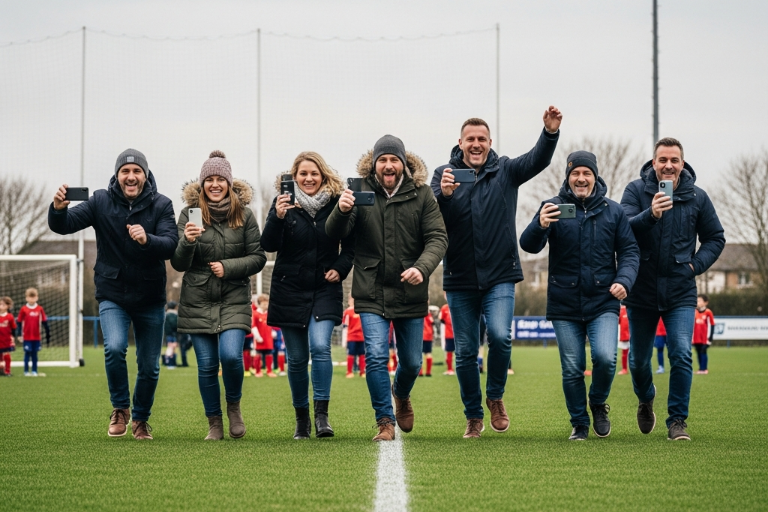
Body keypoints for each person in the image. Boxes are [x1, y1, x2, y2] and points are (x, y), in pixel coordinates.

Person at [431, 107, 562, 438]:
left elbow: (537, 160)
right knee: (465, 351)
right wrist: (443, 195)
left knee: (501, 337)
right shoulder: (444, 174)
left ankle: (495, 396)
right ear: (460, 143)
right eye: (470, 139)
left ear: (490, 142)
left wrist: (549, 133)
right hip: (460, 277)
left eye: (482, 139)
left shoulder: (505, 170)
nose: (476, 144)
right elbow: (429, 216)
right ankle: (473, 415)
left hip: (500, 274)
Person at [49, 149, 178, 439]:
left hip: (149, 296)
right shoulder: (100, 201)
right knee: (115, 347)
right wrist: (57, 209)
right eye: (125, 171)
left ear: (145, 175)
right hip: (113, 293)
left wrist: (147, 239)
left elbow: (171, 244)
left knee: (149, 366)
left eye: (137, 171)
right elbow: (64, 225)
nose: (131, 177)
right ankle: (120, 408)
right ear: (117, 175)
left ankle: (141, 418)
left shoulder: (162, 204)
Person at [326, 134, 448, 441]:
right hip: (371, 290)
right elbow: (335, 233)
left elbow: (438, 238)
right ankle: (384, 421)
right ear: (374, 164)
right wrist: (341, 210)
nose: (389, 165)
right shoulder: (358, 191)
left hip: (411, 290)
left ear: (404, 164)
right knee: (376, 356)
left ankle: (401, 393)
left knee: (412, 362)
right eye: (383, 160)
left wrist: (422, 268)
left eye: (394, 159)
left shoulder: (422, 194)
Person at [520, 150, 639, 440]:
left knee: (606, 358)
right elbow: (528, 245)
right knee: (572, 368)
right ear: (568, 177)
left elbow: (629, 252)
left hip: (603, 300)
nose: (581, 178)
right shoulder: (552, 207)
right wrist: (540, 224)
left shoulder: (614, 211)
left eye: (587, 173)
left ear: (595, 177)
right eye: (575, 173)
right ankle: (579, 423)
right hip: (564, 302)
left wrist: (624, 280)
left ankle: (597, 402)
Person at [621, 137, 725, 441]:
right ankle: (646, 397)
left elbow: (715, 238)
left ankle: (677, 420)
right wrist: (651, 214)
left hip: (680, 291)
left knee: (681, 353)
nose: (668, 165)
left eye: (674, 160)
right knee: (638, 362)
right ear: (654, 162)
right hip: (641, 291)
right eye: (663, 160)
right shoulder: (635, 191)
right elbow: (623, 229)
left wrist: (694, 266)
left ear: (682, 163)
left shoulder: (697, 197)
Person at [171, 150, 266, 441]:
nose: (215, 184)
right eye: (209, 179)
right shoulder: (188, 214)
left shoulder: (245, 215)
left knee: (231, 357)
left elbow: (258, 257)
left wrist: (228, 267)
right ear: (202, 184)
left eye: (220, 179)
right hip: (197, 300)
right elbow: (179, 263)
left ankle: (233, 407)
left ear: (229, 182)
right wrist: (187, 242)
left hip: (233, 297)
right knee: (207, 366)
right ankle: (214, 422)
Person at [261, 151, 354, 439]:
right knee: (297, 358)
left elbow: (351, 245)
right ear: (294, 176)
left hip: (324, 287)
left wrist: (340, 268)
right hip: (289, 289)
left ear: (323, 175)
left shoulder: (337, 203)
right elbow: (268, 244)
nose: (309, 178)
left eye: (314, 173)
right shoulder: (283, 204)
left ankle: (322, 416)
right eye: (303, 173)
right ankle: (301, 419)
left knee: (320, 347)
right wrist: (277, 216)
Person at [16, 288, 50, 377]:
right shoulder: (23, 309)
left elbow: (44, 321)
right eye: (30, 297)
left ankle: (34, 371)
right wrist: (19, 334)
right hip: (26, 336)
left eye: (33, 297)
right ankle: (26, 371)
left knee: (35, 354)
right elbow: (19, 322)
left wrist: (47, 332)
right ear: (26, 298)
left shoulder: (40, 309)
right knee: (27, 353)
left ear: (37, 297)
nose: (32, 299)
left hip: (36, 336)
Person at [252, 295, 276, 378]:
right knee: (258, 355)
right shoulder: (255, 313)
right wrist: (257, 337)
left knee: (269, 354)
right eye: (264, 304)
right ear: (259, 304)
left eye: (267, 304)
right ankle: (258, 371)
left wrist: (273, 332)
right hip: (260, 339)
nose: (266, 306)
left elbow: (271, 325)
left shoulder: (268, 313)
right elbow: (253, 326)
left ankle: (269, 371)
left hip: (268, 338)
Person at [343, 296, 366, 379]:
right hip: (351, 337)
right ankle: (349, 372)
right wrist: (344, 340)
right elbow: (345, 326)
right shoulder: (347, 312)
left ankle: (362, 372)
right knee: (351, 353)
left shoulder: (362, 311)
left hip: (361, 337)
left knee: (362, 354)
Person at [693, 294, 716, 374]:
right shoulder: (695, 312)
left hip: (705, 338)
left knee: (703, 351)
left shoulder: (708, 312)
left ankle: (704, 369)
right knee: (698, 352)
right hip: (696, 337)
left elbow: (712, 325)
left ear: (706, 302)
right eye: (697, 301)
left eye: (700, 301)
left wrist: (710, 337)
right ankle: (700, 369)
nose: (698, 302)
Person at [0, 297, 17, 376]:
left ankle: (7, 371)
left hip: (6, 339)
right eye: (0, 304)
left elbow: (13, 328)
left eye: (3, 305)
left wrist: (13, 337)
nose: (1, 306)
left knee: (6, 354)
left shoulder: (10, 316)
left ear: (8, 306)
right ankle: (1, 370)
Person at [439, 300, 455, 376]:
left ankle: (456, 369)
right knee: (449, 352)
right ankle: (450, 369)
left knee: (459, 352)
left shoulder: (458, 305)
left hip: (458, 334)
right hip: (449, 334)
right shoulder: (444, 308)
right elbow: (441, 319)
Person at [162, 301, 179, 369]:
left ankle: (167, 362)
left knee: (170, 348)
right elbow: (175, 325)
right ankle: (170, 364)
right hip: (173, 334)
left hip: (168, 334)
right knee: (171, 348)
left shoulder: (165, 315)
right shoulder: (173, 315)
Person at [419, 308, 434, 377]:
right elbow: (432, 322)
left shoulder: (418, 312)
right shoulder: (428, 313)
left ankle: (420, 372)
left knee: (420, 354)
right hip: (428, 336)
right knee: (428, 353)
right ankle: (428, 372)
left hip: (420, 335)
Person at [618, 304, 630, 375]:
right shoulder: (621, 310)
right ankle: (624, 369)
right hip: (625, 335)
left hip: (632, 334)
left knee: (635, 353)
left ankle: (635, 368)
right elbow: (618, 321)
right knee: (625, 353)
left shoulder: (631, 308)